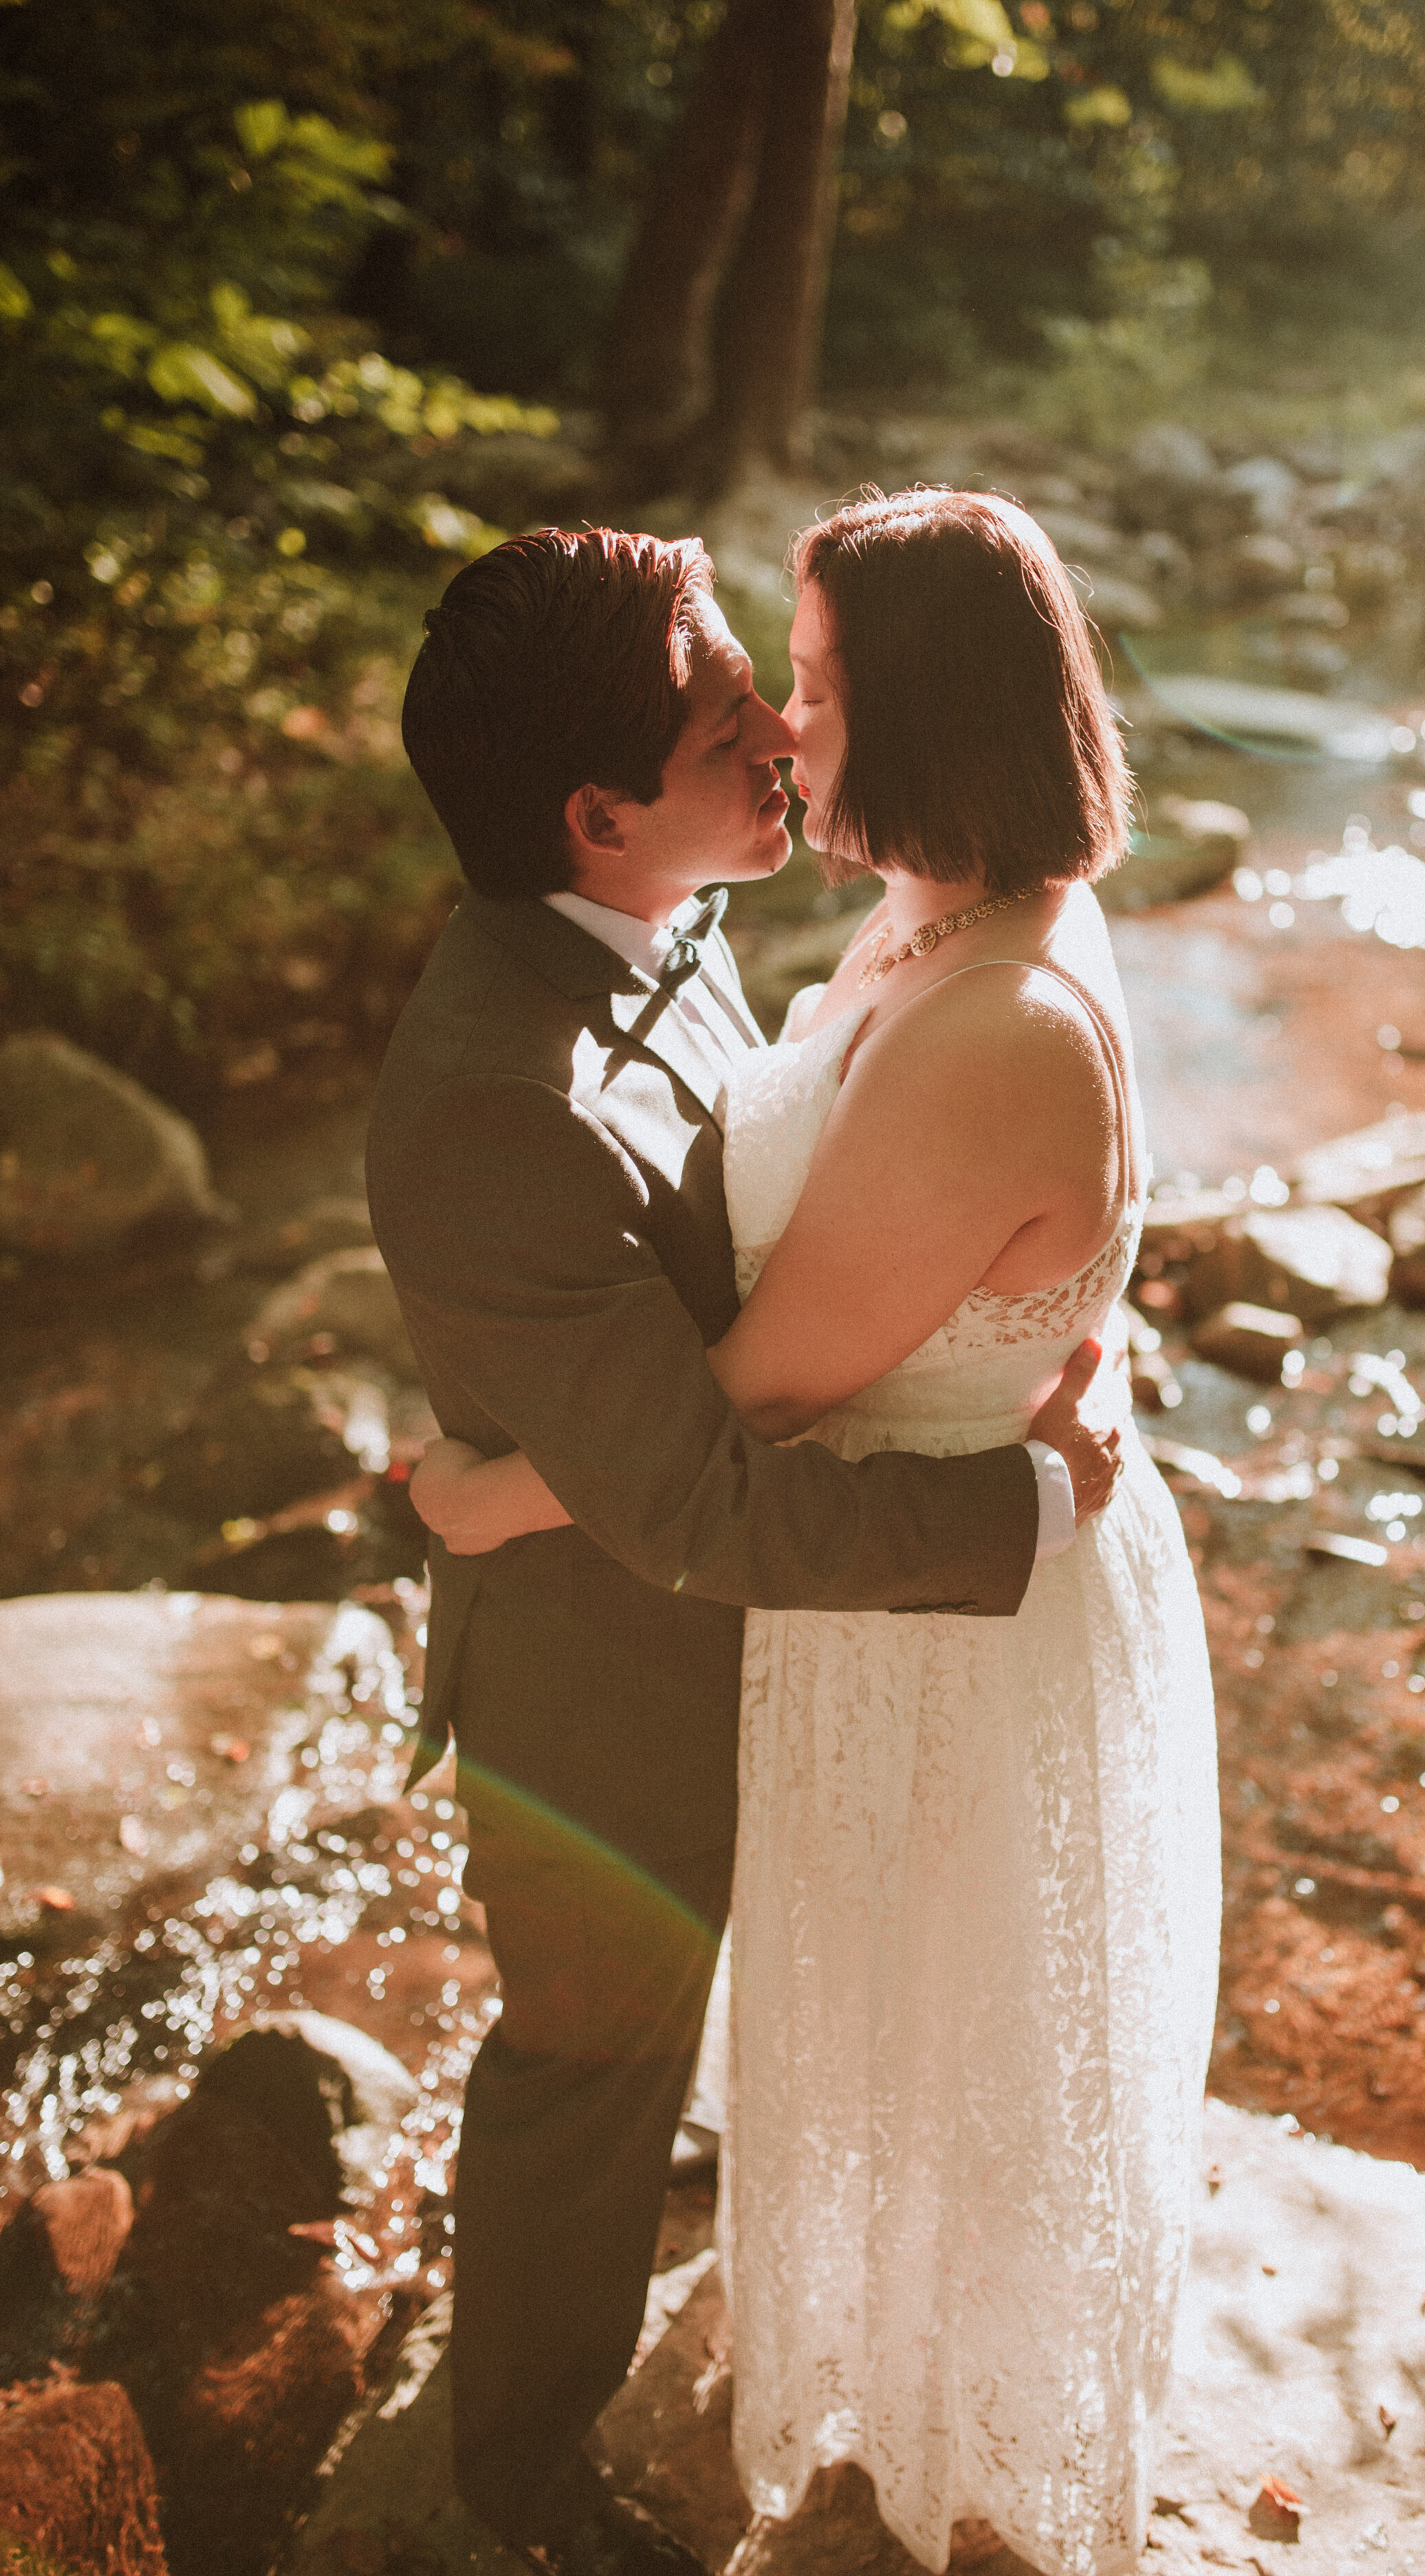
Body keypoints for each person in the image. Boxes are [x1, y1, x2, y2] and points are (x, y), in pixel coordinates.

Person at [415, 491, 1222, 2576]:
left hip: (870, 1593)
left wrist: (1067, 1356)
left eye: (811, 681)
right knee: (592, 2060)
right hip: (628, 1649)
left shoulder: (768, 920)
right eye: (740, 703)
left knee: (942, 2030)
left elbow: (823, 1314)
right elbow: (701, 1457)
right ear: (602, 816)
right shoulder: (503, 1077)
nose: (780, 722)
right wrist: (1033, 1426)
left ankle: (958, 2409)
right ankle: (508, 2467)